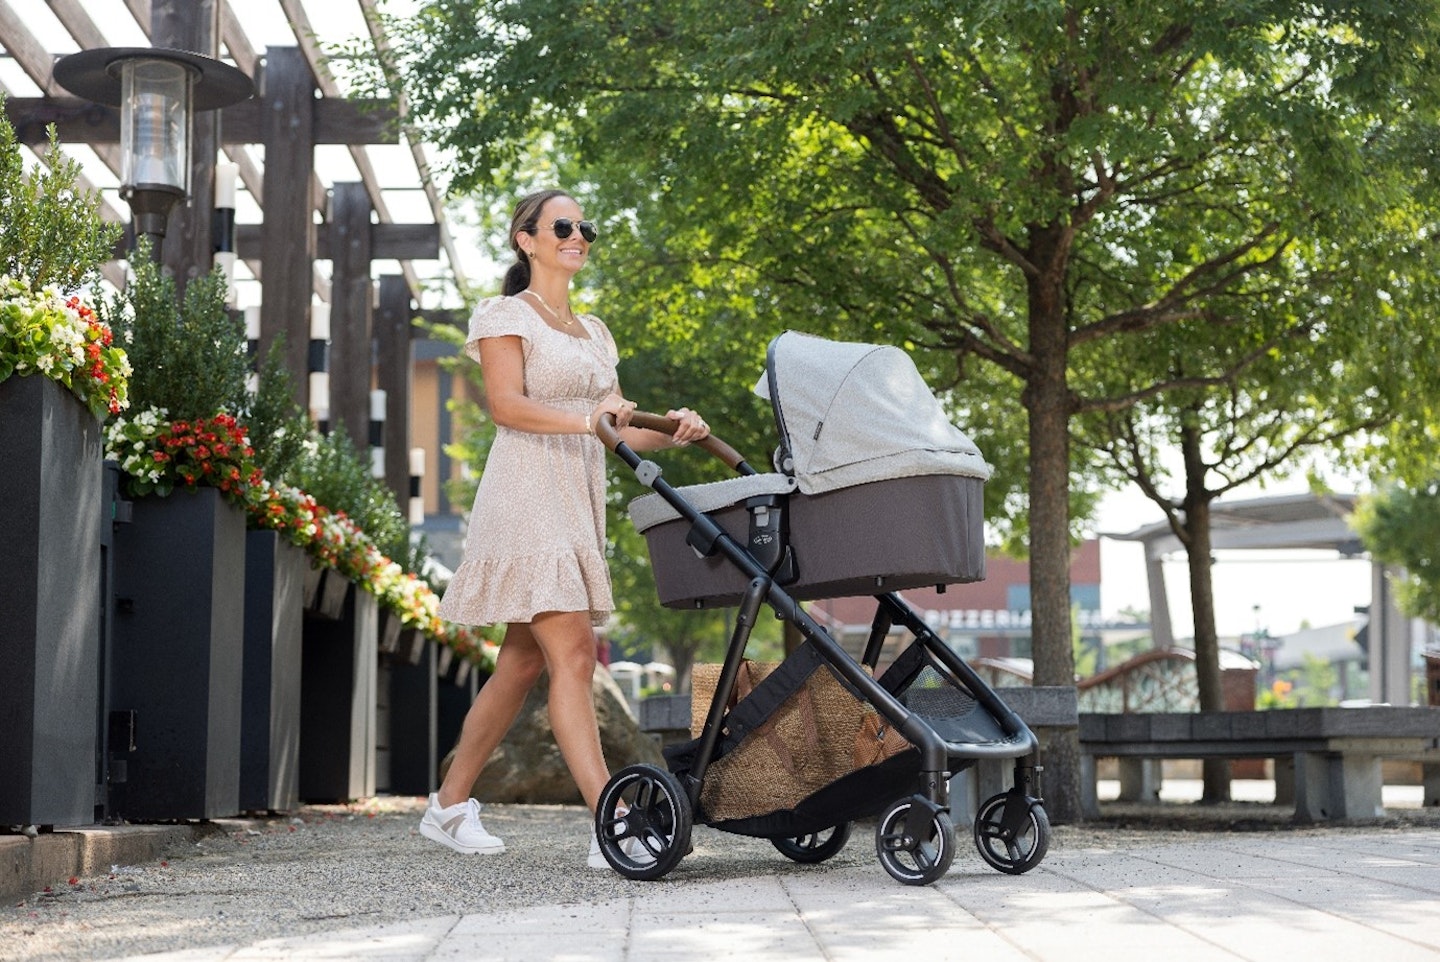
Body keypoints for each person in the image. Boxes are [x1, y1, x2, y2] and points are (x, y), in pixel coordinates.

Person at [420, 188, 709, 868]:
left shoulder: (595, 332)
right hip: (525, 495)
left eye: (586, 225)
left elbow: (617, 428)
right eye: (563, 225)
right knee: (575, 655)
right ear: (526, 239)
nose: (577, 234)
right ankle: (612, 822)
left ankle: (448, 806)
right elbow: (506, 405)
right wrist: (587, 422)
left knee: (522, 663)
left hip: (575, 497)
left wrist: (678, 430)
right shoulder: (503, 314)